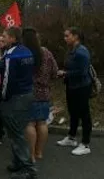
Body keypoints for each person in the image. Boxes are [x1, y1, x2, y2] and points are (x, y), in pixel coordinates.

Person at [0, 27, 36, 179]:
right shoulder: (26, 51)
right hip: (27, 93)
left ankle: (28, 168)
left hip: (15, 97)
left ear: (13, 38)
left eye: (5, 36)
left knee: (16, 133)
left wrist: (3, 97)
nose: (3, 38)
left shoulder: (11, 55)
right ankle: (18, 162)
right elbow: (5, 68)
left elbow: (7, 78)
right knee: (17, 130)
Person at [22, 28, 58, 162]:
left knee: (29, 124)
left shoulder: (24, 54)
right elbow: (54, 72)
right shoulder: (46, 53)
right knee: (42, 123)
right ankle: (39, 152)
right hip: (44, 94)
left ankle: (30, 155)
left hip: (28, 93)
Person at [56, 27, 92, 156]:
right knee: (73, 112)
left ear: (76, 36)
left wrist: (65, 73)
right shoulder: (72, 50)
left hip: (81, 87)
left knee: (84, 114)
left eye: (67, 36)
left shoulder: (81, 52)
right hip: (72, 86)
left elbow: (82, 72)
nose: (65, 38)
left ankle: (86, 144)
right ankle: (71, 137)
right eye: (64, 36)